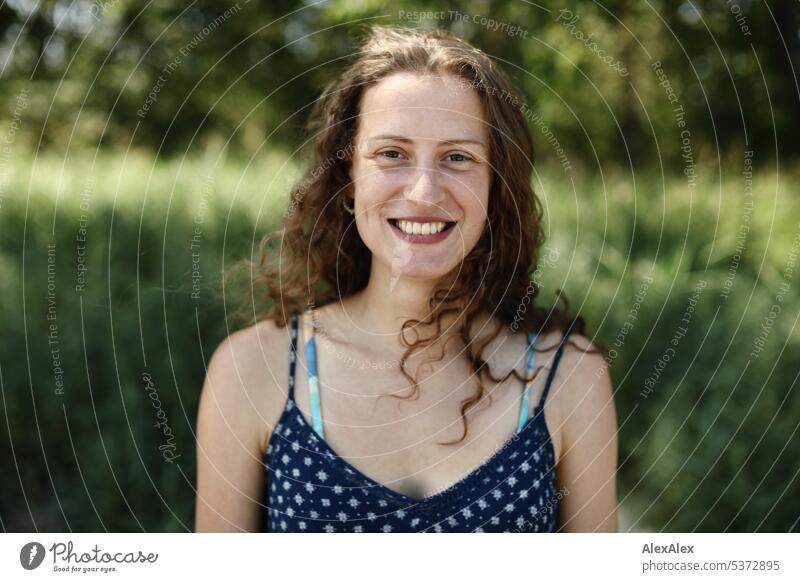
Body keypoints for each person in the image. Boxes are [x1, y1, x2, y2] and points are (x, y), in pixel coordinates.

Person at [195, 25, 618, 533]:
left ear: (496, 185)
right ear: (349, 176)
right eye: (391, 154)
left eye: (457, 158)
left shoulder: (568, 378)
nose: (423, 192)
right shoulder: (253, 369)